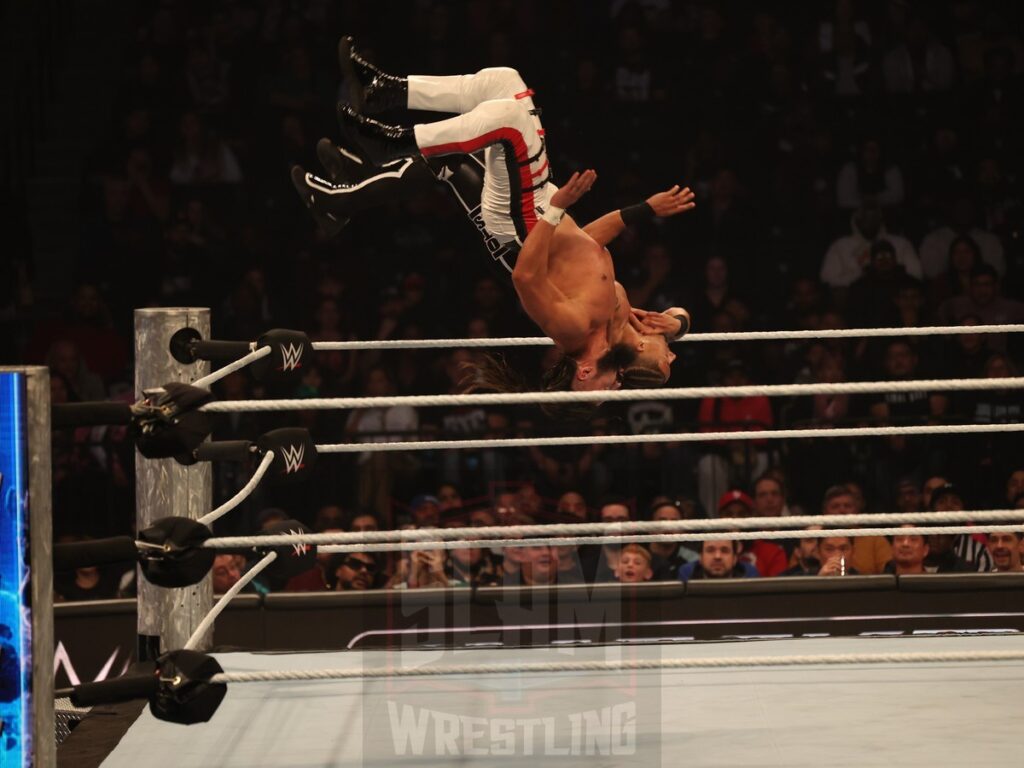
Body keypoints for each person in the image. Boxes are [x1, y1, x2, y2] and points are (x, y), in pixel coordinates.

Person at [291, 38, 696, 393]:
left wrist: (556, 210)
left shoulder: (580, 330)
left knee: (510, 124)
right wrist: (647, 214)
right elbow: (591, 249)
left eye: (666, 362)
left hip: (525, 225)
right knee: (507, 84)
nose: (673, 358)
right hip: (539, 213)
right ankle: (386, 95)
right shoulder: (632, 325)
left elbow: (525, 275)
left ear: (637, 354)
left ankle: (391, 144)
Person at [679, 539, 759, 581]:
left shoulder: (748, 579)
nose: (717, 556)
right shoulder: (687, 579)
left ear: (735, 559)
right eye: (710, 550)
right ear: (700, 557)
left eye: (724, 551)